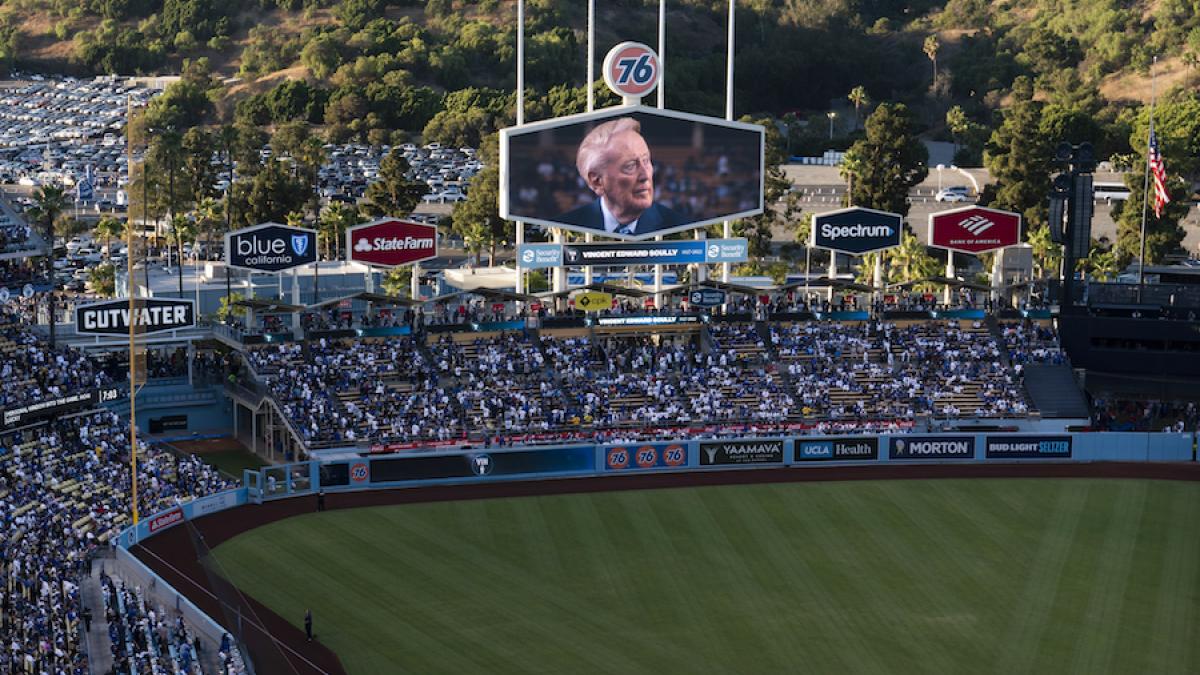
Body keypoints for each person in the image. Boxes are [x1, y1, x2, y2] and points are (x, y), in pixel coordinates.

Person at [558, 117, 684, 237]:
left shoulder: (681, 227)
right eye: (630, 166)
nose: (645, 175)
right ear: (597, 182)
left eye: (646, 161)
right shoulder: (563, 228)